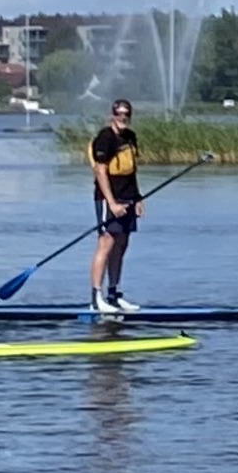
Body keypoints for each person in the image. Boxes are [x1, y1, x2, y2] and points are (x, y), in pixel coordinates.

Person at [88, 101, 144, 316]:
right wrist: (111, 203)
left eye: (126, 114)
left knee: (122, 244)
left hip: (128, 197)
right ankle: (96, 298)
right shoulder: (105, 138)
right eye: (119, 114)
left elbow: (132, 171)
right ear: (112, 115)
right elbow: (101, 172)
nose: (123, 118)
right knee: (106, 243)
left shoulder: (130, 137)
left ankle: (114, 294)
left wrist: (137, 199)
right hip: (107, 198)